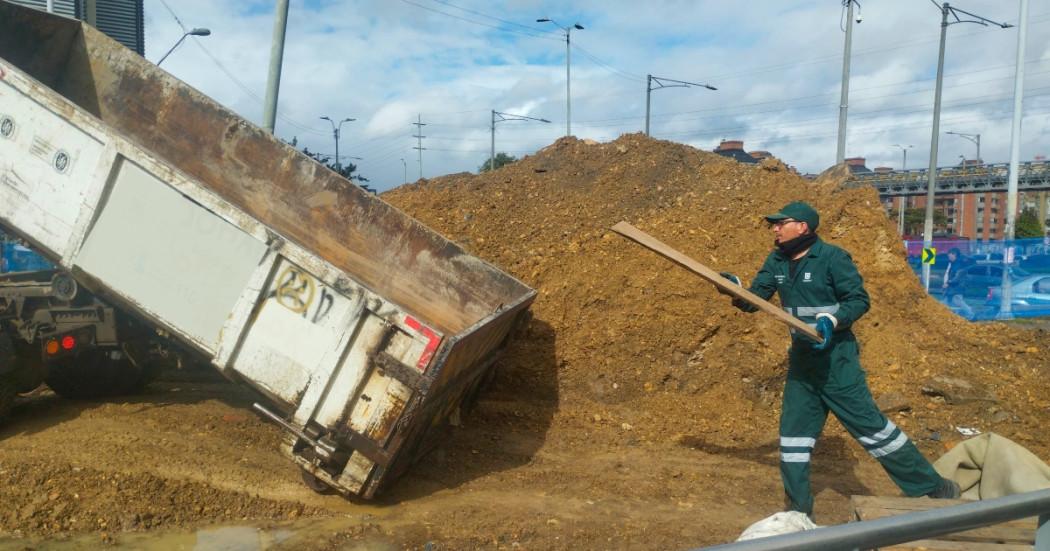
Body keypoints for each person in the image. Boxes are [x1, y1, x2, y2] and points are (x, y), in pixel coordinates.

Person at [718, 201, 959, 518]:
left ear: (802, 226)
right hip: (803, 363)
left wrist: (832, 320)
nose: (774, 228)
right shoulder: (776, 260)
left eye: (781, 223)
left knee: (874, 432)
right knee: (793, 440)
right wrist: (735, 291)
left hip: (837, 361)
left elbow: (858, 300)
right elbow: (755, 299)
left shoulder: (832, 257)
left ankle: (933, 486)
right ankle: (798, 512)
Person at [941, 248, 975, 320]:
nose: (948, 256)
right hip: (953, 287)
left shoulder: (959, 265)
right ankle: (944, 317)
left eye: (949, 255)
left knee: (957, 300)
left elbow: (957, 278)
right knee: (946, 302)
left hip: (958, 287)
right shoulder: (953, 264)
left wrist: (948, 283)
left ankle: (971, 314)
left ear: (954, 254)